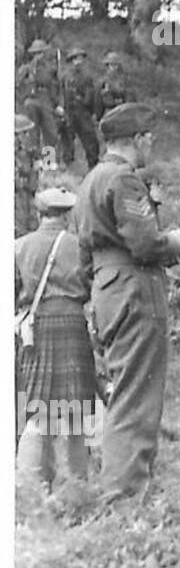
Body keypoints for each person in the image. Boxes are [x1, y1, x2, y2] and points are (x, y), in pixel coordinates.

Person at [72, 103, 180, 503]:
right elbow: (146, 242)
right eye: (149, 139)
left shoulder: (91, 179)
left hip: (109, 287)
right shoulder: (124, 180)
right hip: (135, 286)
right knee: (138, 393)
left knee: (126, 388)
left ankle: (123, 487)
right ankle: (124, 495)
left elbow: (84, 254)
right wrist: (173, 241)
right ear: (137, 139)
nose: (151, 146)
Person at [15, 187, 99, 488]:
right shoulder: (81, 246)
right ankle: (79, 482)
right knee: (76, 411)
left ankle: (28, 485)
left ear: (40, 214)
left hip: (36, 331)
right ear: (67, 215)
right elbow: (93, 287)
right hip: (73, 325)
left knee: (38, 409)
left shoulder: (18, 247)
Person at [58, 48, 101, 168]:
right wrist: (61, 107)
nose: (78, 61)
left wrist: (91, 110)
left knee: (90, 138)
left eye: (80, 58)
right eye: (75, 59)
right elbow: (61, 92)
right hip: (68, 111)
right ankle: (68, 164)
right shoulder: (64, 76)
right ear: (71, 61)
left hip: (82, 111)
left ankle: (93, 164)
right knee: (67, 138)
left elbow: (91, 95)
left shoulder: (87, 77)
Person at [18, 39, 62, 154]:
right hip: (31, 100)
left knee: (51, 133)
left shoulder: (50, 69)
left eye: (41, 53)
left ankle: (49, 163)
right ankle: (34, 163)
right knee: (32, 132)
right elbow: (18, 84)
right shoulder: (26, 68)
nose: (39, 56)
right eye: (36, 53)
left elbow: (54, 87)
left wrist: (56, 104)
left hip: (46, 100)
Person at [14, 114, 41, 237]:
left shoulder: (30, 148)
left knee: (32, 223)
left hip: (29, 192)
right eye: (24, 133)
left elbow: (47, 146)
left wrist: (41, 166)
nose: (28, 136)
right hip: (18, 194)